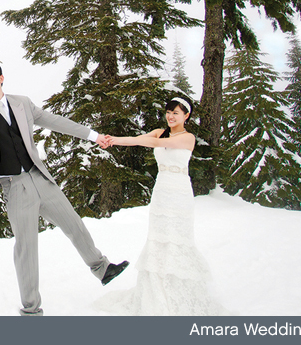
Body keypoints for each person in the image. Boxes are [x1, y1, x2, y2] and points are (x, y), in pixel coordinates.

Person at [0, 60, 129, 316]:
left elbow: (56, 121)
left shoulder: (23, 103)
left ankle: (103, 269)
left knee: (74, 224)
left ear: (0, 78)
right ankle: (31, 310)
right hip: (14, 186)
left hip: (39, 178)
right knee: (26, 248)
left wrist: (94, 136)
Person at [95, 97, 225, 315]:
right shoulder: (158, 132)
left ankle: (180, 292)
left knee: (178, 239)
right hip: (162, 190)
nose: (171, 116)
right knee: (158, 238)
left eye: (176, 112)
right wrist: (112, 140)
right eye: (168, 112)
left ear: (186, 115)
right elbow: (136, 140)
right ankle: (155, 291)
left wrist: (144, 140)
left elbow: (157, 144)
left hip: (180, 192)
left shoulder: (188, 137)